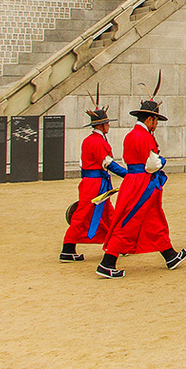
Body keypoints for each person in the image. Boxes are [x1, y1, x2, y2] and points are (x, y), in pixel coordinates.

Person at [97, 84, 186, 279]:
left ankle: (170, 255)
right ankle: (107, 262)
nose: (156, 125)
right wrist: (163, 160)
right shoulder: (145, 136)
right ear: (149, 119)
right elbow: (152, 164)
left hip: (134, 181)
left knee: (154, 220)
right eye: (155, 120)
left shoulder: (130, 135)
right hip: (143, 184)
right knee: (130, 221)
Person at [61, 96, 126, 262]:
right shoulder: (97, 142)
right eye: (107, 123)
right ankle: (67, 248)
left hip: (93, 182)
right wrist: (129, 175)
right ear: (101, 125)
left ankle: (116, 244)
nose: (109, 126)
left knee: (108, 214)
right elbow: (109, 163)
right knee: (83, 214)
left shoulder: (89, 140)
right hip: (95, 184)